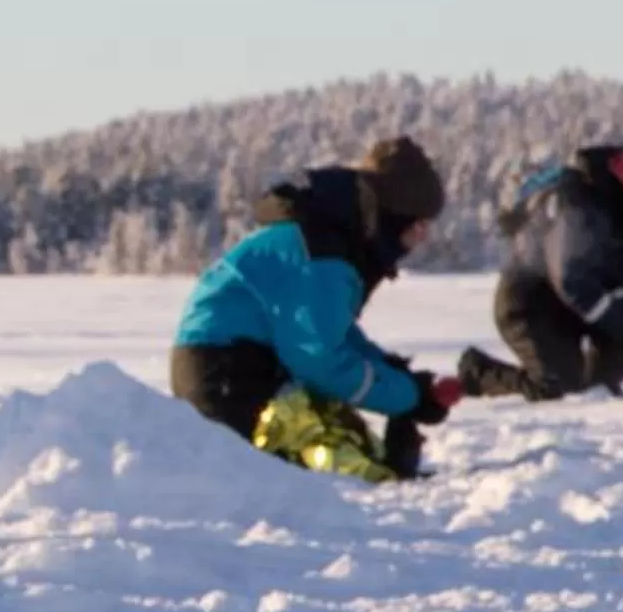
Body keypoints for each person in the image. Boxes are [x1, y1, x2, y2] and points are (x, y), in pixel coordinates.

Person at [170, 136, 462, 481]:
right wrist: (407, 397)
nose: (421, 239)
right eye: (420, 226)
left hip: (239, 369)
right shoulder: (323, 255)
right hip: (230, 378)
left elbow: (336, 335)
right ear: (392, 217)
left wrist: (398, 377)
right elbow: (320, 358)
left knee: (353, 454)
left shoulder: (326, 240)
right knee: (348, 472)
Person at [458, 144, 623, 401]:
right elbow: (572, 279)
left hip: (569, 305)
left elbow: (616, 280)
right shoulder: (585, 201)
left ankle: (599, 388)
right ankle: (477, 372)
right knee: (554, 387)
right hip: (529, 303)